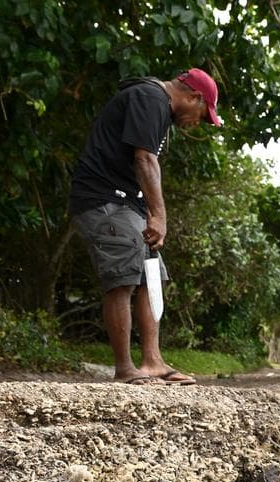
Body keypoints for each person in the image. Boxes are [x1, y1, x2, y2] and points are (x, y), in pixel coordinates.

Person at [69, 68, 222, 385]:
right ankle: (125, 369)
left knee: (152, 275)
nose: (199, 122)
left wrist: (148, 212)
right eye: (203, 114)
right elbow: (144, 160)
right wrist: (159, 215)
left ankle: (152, 361)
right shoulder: (151, 98)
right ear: (192, 96)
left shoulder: (157, 106)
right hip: (105, 200)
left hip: (127, 203)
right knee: (123, 279)